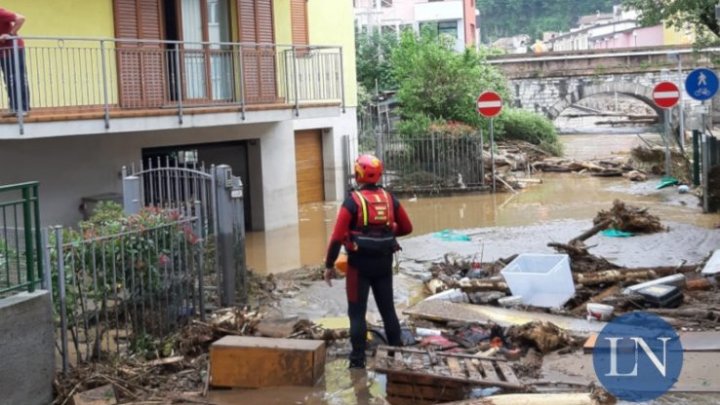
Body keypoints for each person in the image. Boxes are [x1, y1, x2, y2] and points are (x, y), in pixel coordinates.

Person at [324, 154, 413, 369]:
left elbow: (336, 237)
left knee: (356, 314)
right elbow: (407, 228)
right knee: (388, 310)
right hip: (383, 264)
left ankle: (357, 363)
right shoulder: (389, 198)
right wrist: (386, 233)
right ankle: (396, 354)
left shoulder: (352, 202)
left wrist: (329, 265)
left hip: (358, 266)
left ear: (358, 174)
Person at [0, 6, 28, 116]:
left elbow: (21, 18)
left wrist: (10, 35)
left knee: (17, 77)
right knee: (9, 80)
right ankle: (14, 108)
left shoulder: (1, 13)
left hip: (14, 49)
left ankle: (23, 108)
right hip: (3, 51)